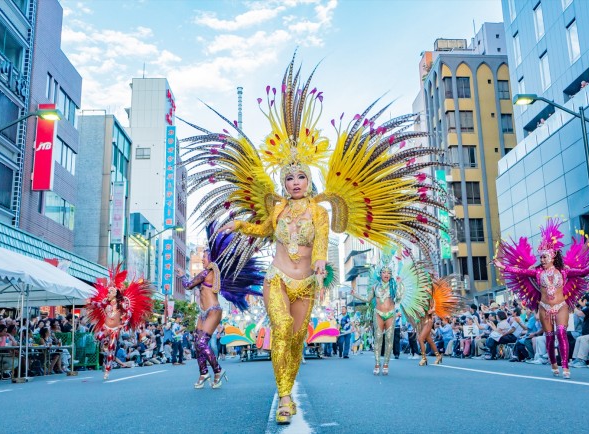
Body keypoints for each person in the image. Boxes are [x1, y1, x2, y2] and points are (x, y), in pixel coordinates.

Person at [185, 55, 446, 425]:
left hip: (306, 283)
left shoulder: (320, 212)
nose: (294, 183)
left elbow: (321, 242)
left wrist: (321, 263)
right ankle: (285, 396)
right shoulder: (275, 209)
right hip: (277, 279)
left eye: (301, 177)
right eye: (289, 177)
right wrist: (238, 227)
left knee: (295, 340)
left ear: (309, 181)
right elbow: (262, 231)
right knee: (279, 331)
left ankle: (288, 384)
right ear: (283, 182)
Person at [494, 218, 589, 378]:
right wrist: (503, 267)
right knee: (548, 338)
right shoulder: (537, 272)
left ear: (553, 256)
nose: (542, 260)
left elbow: (582, 271)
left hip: (561, 306)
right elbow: (519, 271)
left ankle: (566, 366)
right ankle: (554, 364)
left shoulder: (564, 271)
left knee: (561, 334)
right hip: (544, 308)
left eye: (545, 257)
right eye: (540, 258)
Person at [179, 223, 264, 390]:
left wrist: (182, 276)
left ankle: (217, 370)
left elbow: (188, 285)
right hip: (203, 313)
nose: (202, 260)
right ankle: (203, 373)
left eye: (204, 257)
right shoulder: (209, 272)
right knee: (197, 343)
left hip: (213, 312)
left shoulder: (206, 273)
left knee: (202, 343)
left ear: (210, 260)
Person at [87, 265, 154, 380]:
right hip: (106, 326)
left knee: (112, 346)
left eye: (110, 292)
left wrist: (123, 324)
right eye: (108, 291)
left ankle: (107, 370)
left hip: (115, 329)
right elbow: (97, 305)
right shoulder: (105, 302)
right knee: (99, 337)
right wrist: (91, 302)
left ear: (115, 293)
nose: (108, 293)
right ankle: (105, 349)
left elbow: (128, 314)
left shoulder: (121, 304)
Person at [417, 275, 460, 366]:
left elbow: (433, 309)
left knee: (420, 339)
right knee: (429, 340)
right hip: (421, 321)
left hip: (428, 321)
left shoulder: (432, 298)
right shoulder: (421, 298)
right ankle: (438, 356)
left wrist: (427, 312)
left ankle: (424, 358)